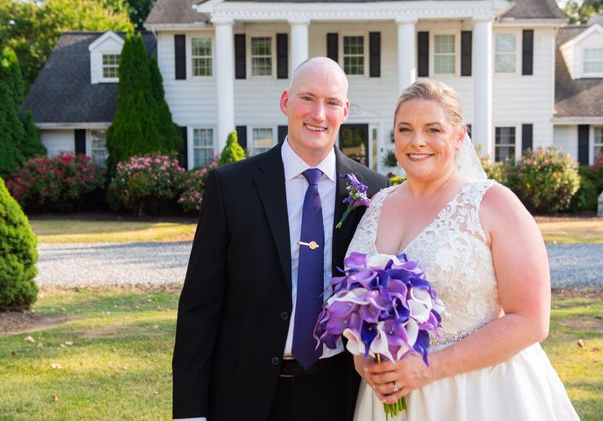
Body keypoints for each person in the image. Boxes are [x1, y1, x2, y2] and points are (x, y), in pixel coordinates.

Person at [348, 80, 580, 420]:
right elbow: (359, 304)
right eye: (405, 129)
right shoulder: (377, 205)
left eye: (433, 129)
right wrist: (365, 360)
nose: (418, 141)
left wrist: (429, 368)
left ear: (459, 136)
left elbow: (531, 320)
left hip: (477, 395)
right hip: (391, 401)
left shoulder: (493, 203)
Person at [172, 57, 388, 421]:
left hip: (338, 391)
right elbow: (199, 307)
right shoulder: (231, 187)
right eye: (307, 98)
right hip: (243, 393)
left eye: (332, 102)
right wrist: (189, 413)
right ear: (286, 102)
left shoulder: (373, 191)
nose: (319, 113)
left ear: (345, 110)